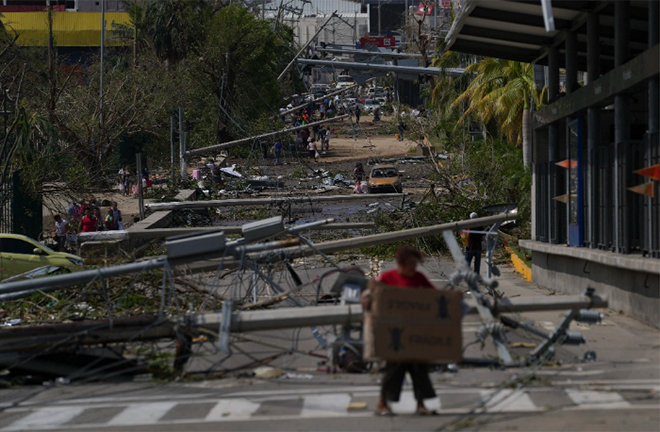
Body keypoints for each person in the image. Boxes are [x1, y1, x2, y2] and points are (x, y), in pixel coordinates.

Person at [360, 246, 438, 416]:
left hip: (416, 333)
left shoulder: (419, 278)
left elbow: (436, 297)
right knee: (395, 368)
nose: (413, 267)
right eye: (410, 264)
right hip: (394, 334)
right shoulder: (388, 278)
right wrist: (366, 298)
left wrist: (452, 300)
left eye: (415, 264)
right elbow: (370, 291)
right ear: (401, 263)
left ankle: (421, 404)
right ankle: (382, 403)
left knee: (419, 369)